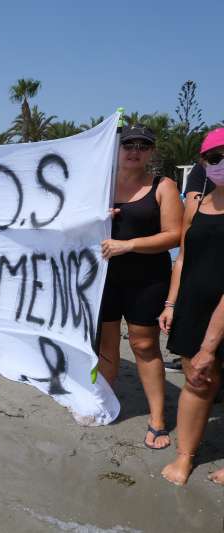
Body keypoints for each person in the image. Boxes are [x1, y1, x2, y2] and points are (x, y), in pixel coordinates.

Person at [98, 125, 183, 450]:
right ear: (117, 148)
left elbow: (174, 235)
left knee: (144, 345)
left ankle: (158, 418)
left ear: (151, 151)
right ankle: (104, 402)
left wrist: (128, 245)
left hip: (147, 278)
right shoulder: (101, 187)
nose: (135, 150)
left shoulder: (163, 186)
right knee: (106, 346)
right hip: (105, 279)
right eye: (128, 144)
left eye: (143, 146)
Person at [160, 128, 224, 486]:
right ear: (204, 162)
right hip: (193, 307)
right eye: (215, 158)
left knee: (212, 372)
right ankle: (185, 458)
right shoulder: (197, 203)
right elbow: (183, 256)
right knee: (197, 381)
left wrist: (210, 345)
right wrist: (171, 302)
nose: (222, 164)